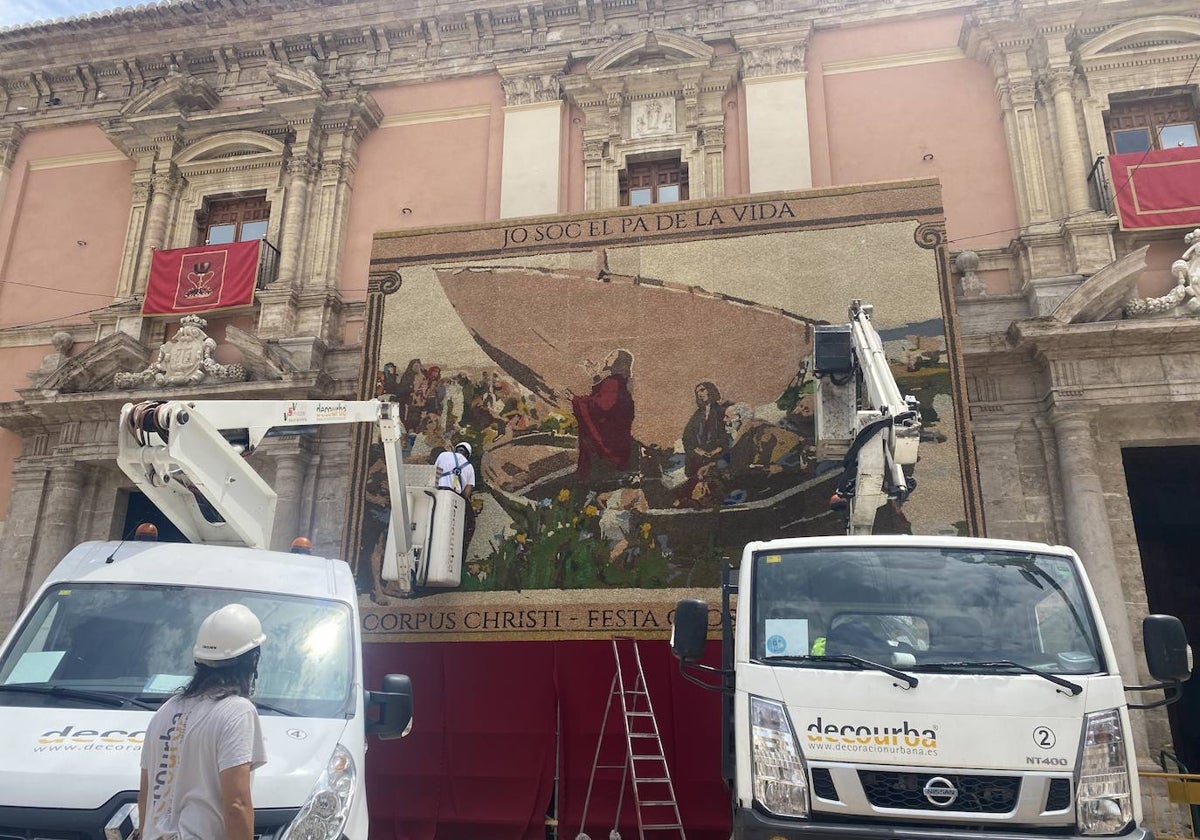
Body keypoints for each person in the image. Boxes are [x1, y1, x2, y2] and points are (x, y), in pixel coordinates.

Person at [138, 604, 267, 840]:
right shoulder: (237, 712)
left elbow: (145, 796)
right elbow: (236, 805)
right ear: (253, 660)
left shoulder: (166, 711)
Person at [570, 348, 635, 479]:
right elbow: (604, 398)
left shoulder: (613, 382)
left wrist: (576, 400)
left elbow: (600, 407)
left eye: (611, 356)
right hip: (618, 439)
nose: (607, 357)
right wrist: (595, 376)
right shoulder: (620, 381)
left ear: (618, 362)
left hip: (609, 443)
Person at [435, 441, 477, 555]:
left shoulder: (443, 455)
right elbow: (467, 491)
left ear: (456, 449)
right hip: (454, 497)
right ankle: (461, 553)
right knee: (470, 523)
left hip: (438, 494)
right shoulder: (469, 467)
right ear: (467, 454)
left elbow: (435, 475)